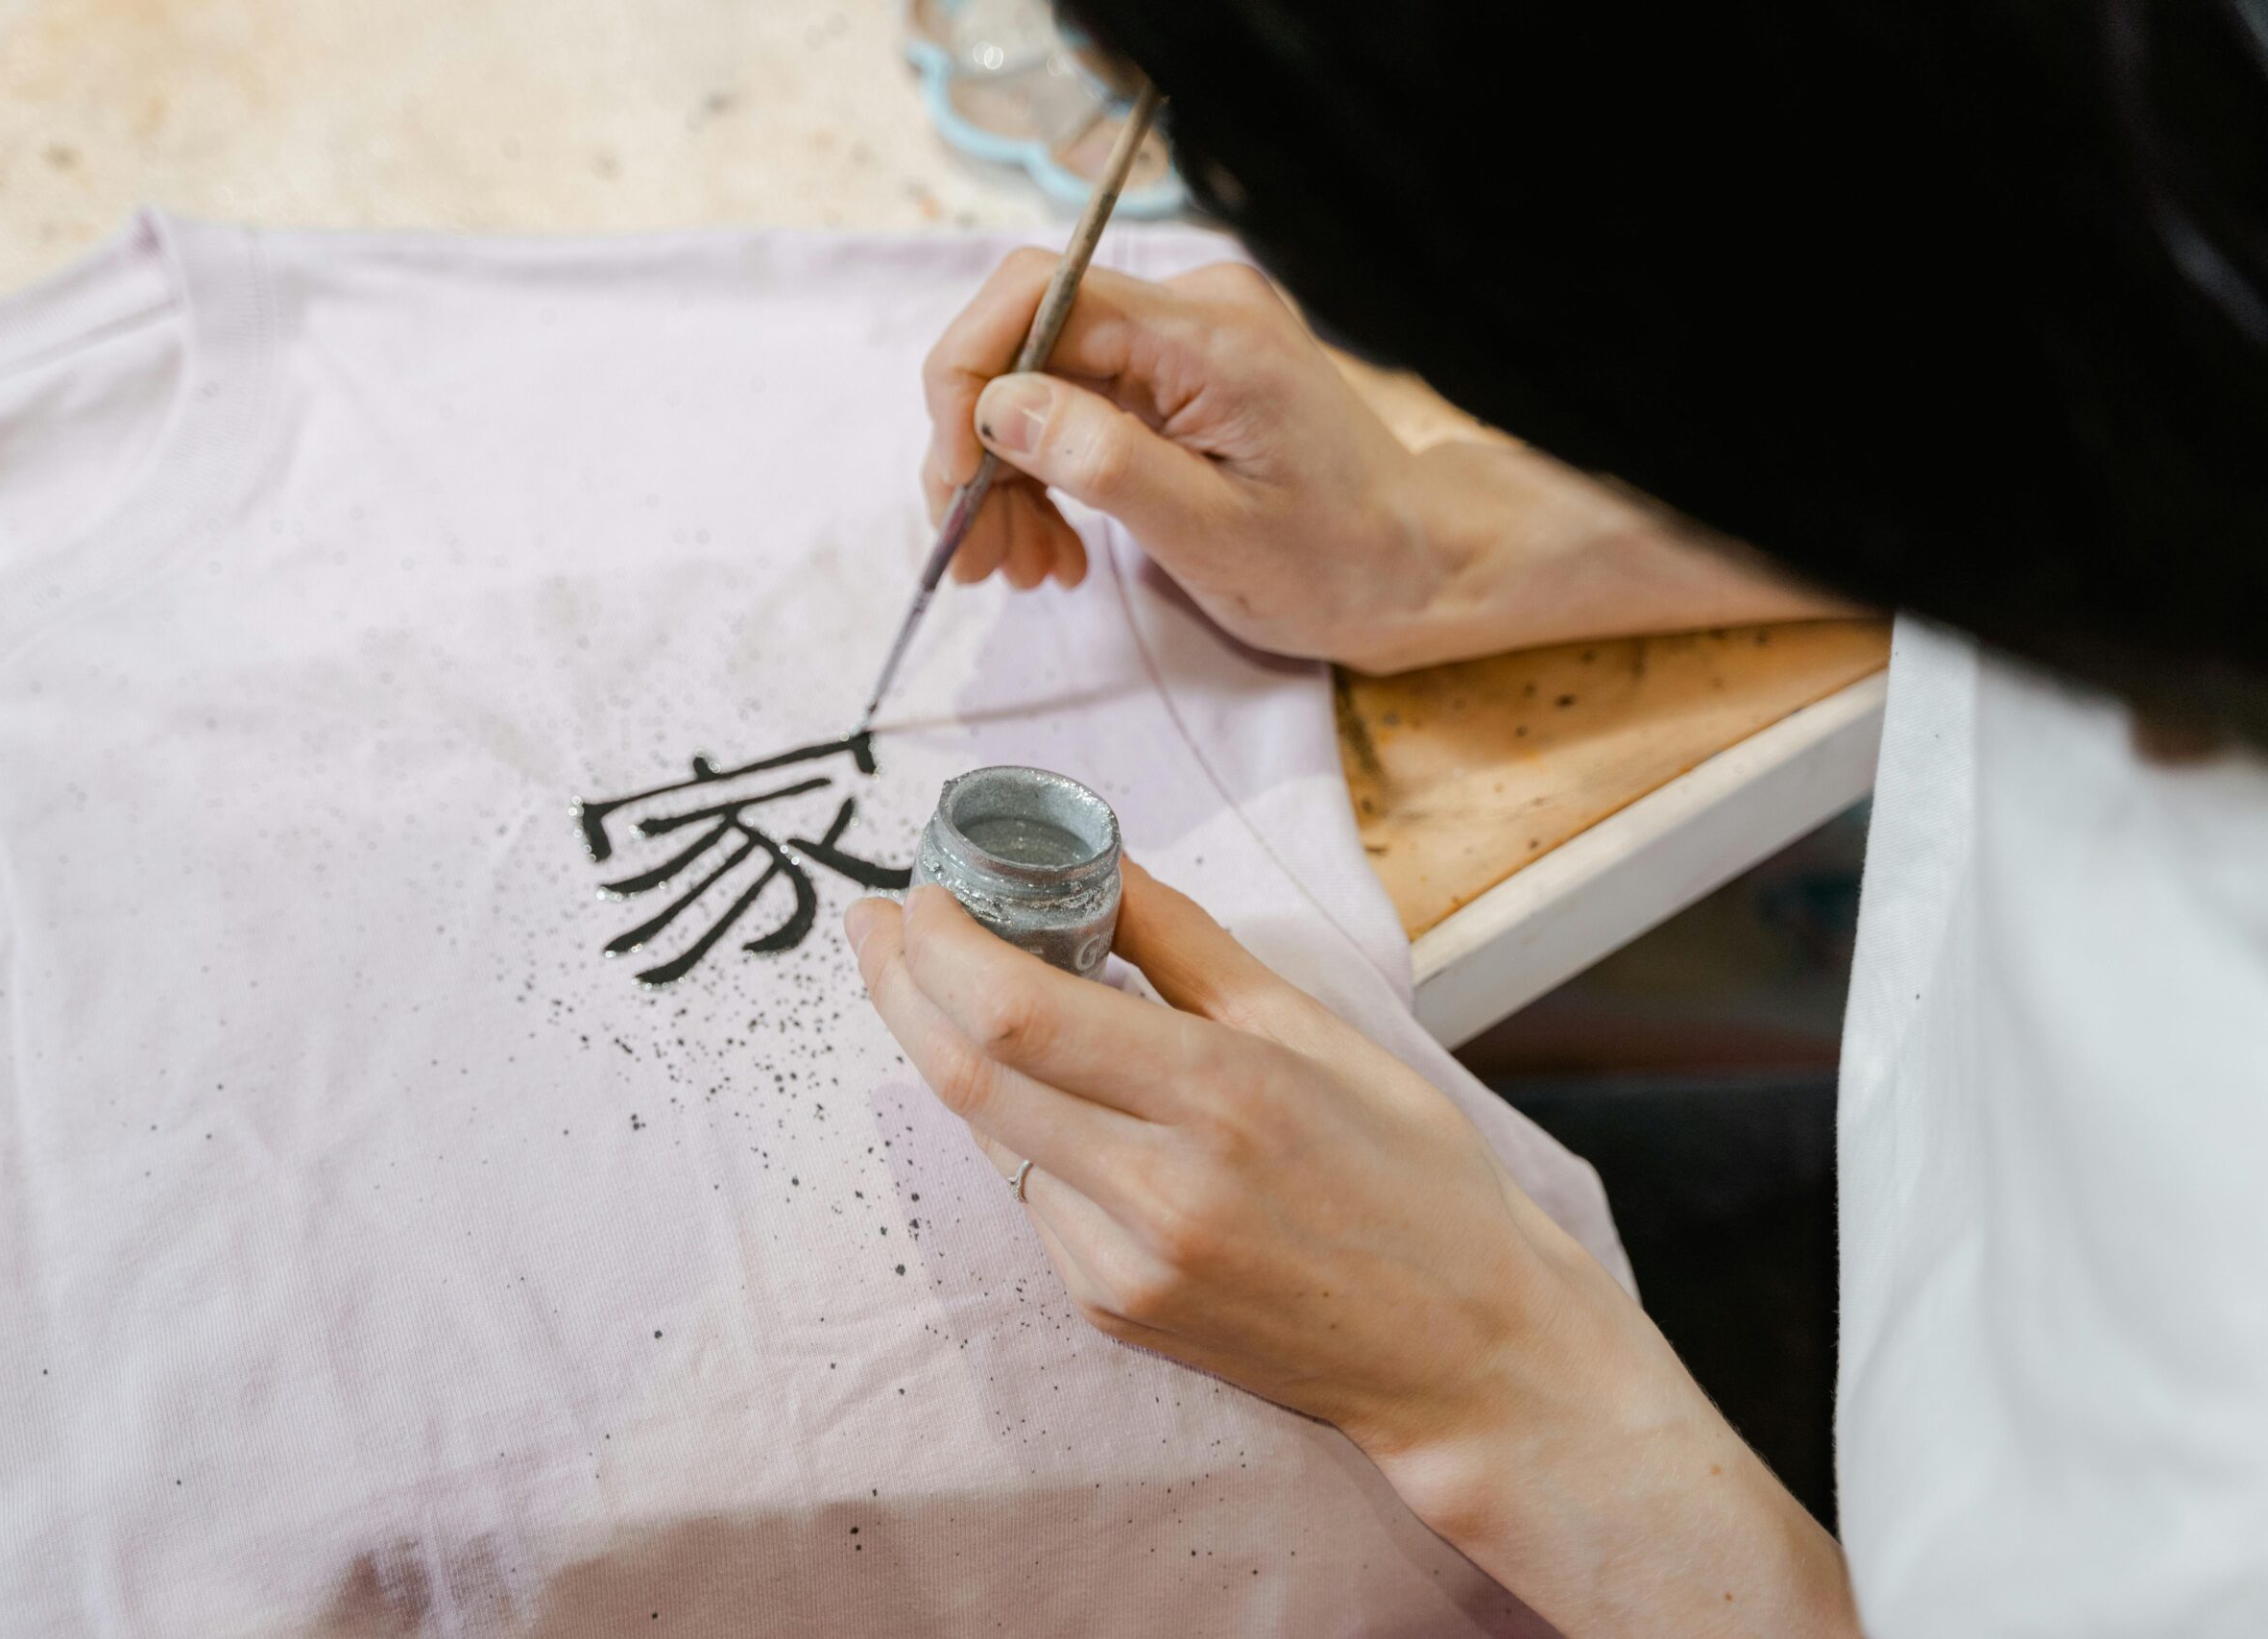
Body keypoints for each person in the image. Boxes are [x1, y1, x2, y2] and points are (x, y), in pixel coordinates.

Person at [843, 3, 2268, 1633]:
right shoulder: (2169, 148)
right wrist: (1460, 555)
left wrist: (1500, 1385)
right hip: (1958, 1179)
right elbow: (2124, 439)